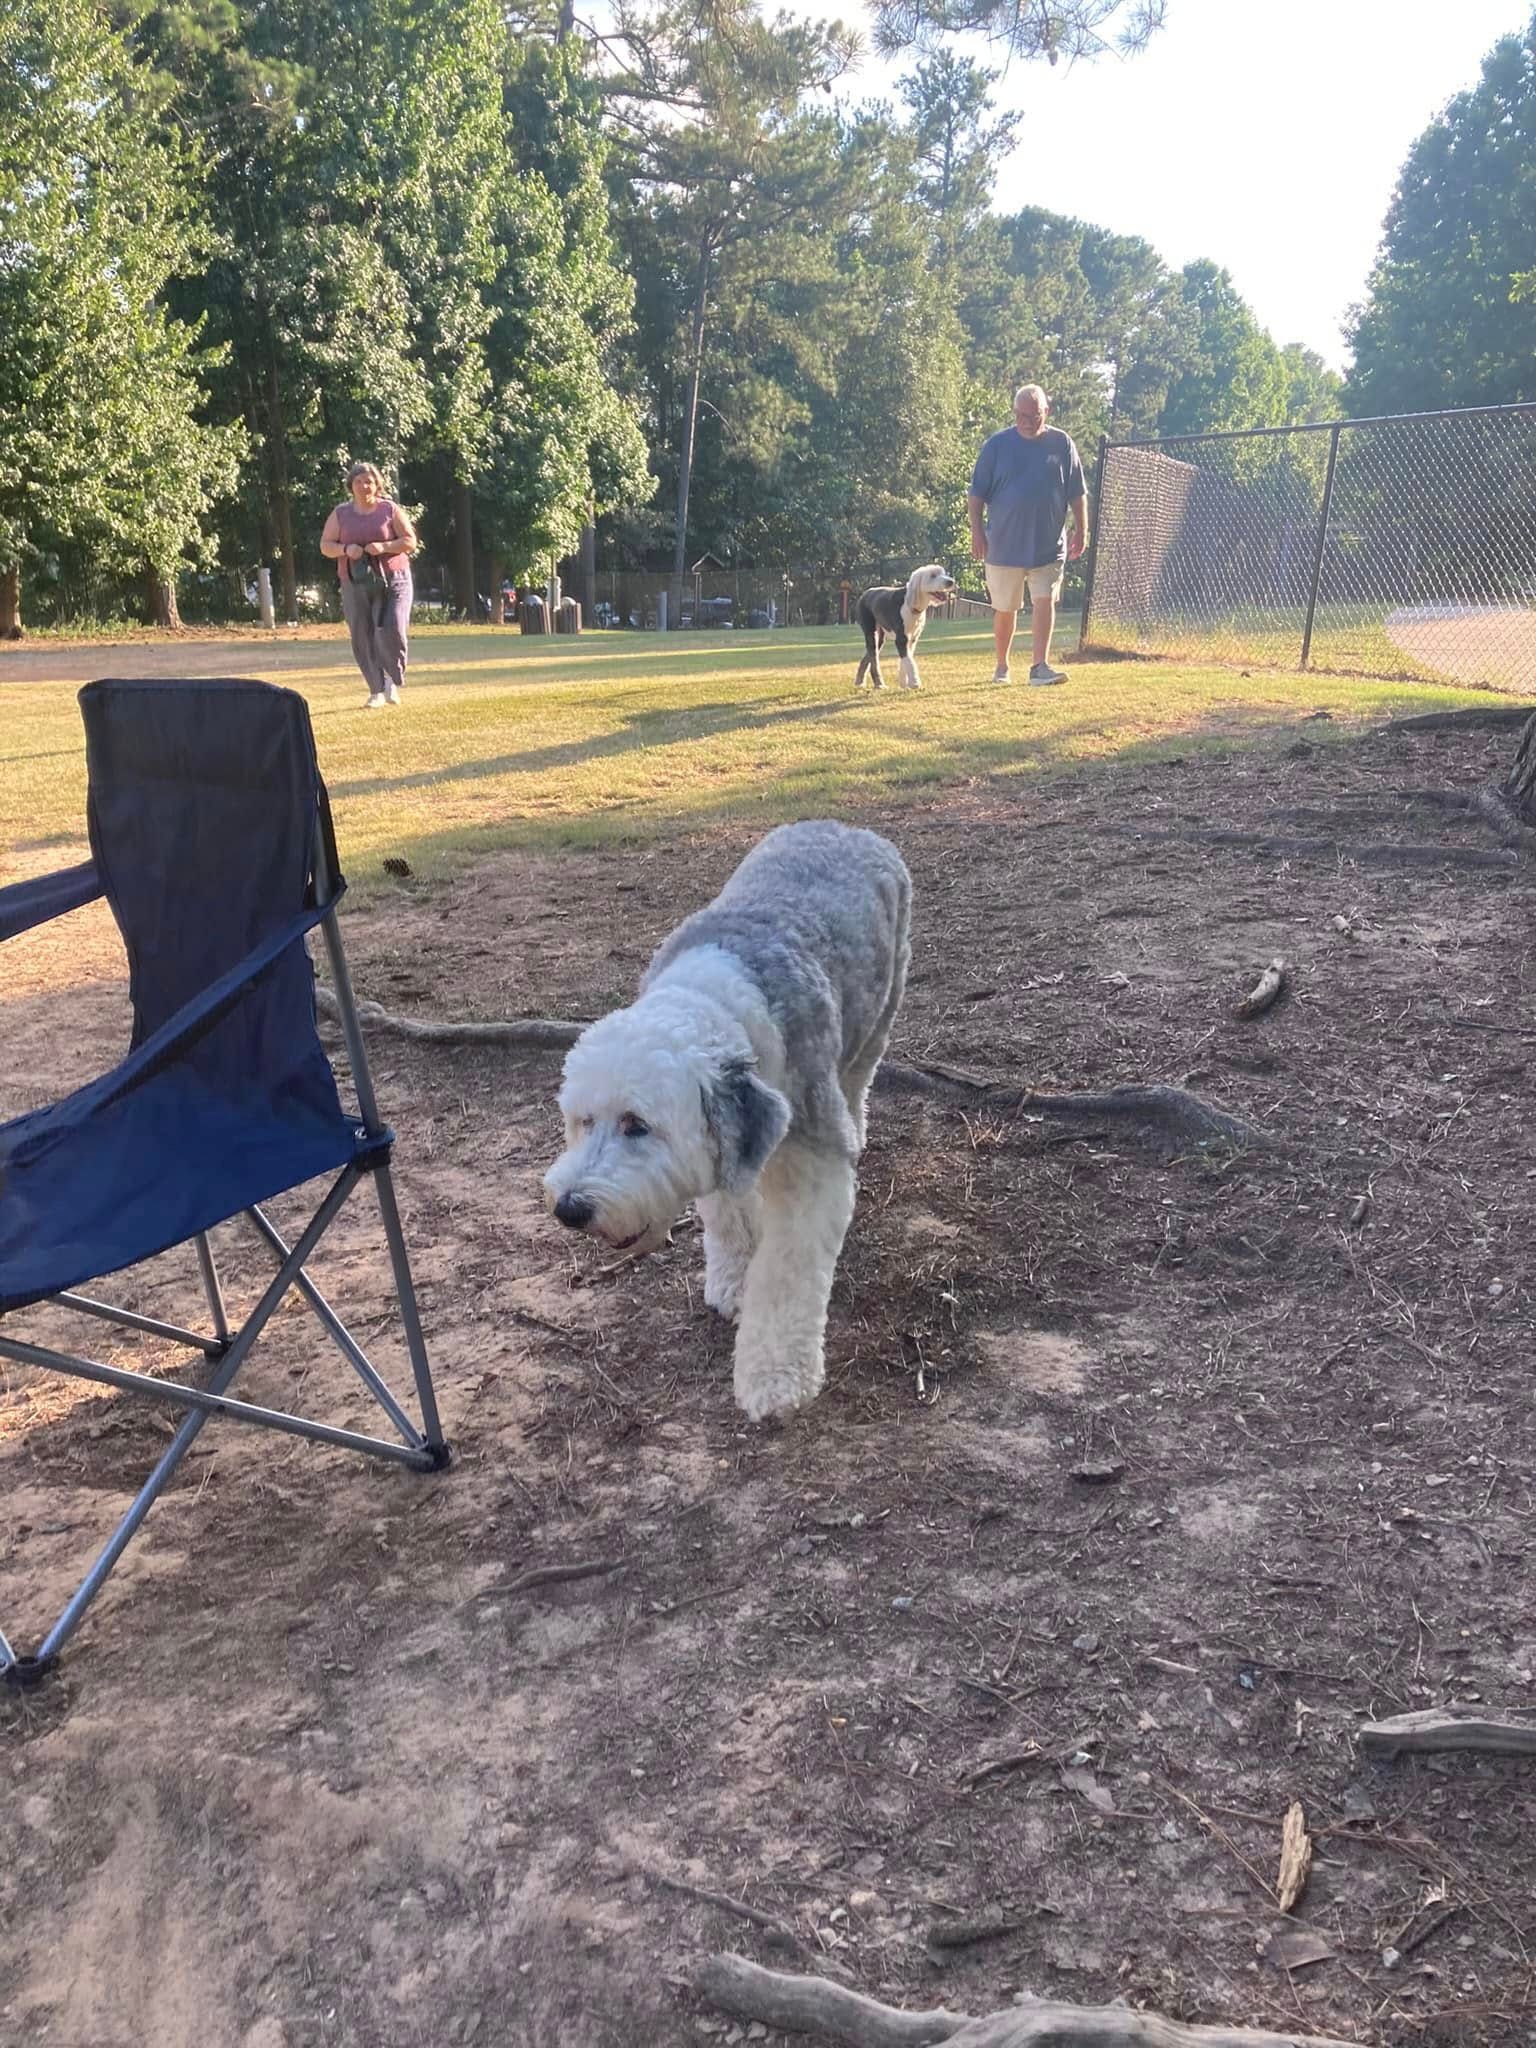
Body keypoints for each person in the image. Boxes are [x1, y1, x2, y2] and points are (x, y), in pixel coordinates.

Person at [967, 384, 1089, 687]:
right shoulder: (996, 446)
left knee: (1044, 599)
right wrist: (977, 532)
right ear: (1014, 413)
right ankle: (1002, 666)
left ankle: (1039, 667)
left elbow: (1077, 493)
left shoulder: (1062, 444)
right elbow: (976, 494)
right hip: (1004, 545)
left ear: (1046, 412)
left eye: (1034, 415)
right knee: (1006, 609)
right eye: (1021, 415)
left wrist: (1082, 529)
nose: (1027, 421)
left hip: (1048, 545)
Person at [320, 462, 419, 708]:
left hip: (394, 578)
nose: (364, 486)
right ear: (351, 486)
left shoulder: (389, 509)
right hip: (355, 582)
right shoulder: (341, 513)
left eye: (369, 481)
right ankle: (376, 690)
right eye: (359, 482)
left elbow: (410, 541)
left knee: (392, 627)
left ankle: (392, 681)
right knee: (363, 634)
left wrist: (385, 546)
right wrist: (345, 549)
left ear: (377, 485)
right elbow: (325, 545)